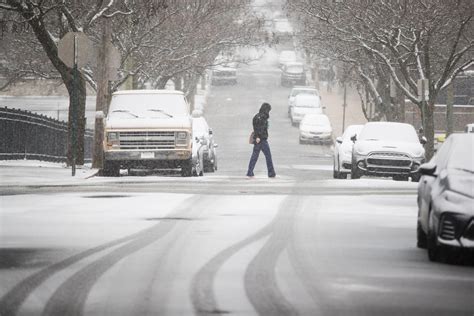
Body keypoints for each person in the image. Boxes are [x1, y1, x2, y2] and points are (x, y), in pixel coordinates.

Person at [246, 102, 276, 178]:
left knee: (254, 156)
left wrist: (256, 137)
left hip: (257, 139)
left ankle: (250, 171)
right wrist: (259, 136)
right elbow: (261, 128)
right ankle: (271, 172)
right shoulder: (263, 117)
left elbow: (255, 127)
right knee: (268, 156)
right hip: (262, 140)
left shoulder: (256, 116)